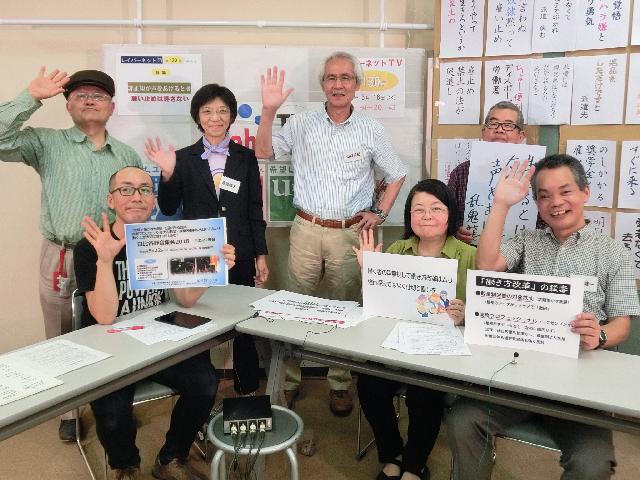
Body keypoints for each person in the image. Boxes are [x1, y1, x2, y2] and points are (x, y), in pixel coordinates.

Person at [447, 154, 640, 480]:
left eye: (565, 191)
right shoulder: (528, 240)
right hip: (520, 371)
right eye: (544, 196)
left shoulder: (613, 253)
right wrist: (501, 204)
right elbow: (487, 265)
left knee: (592, 463)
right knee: (463, 420)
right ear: (536, 203)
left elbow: (622, 323)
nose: (556, 203)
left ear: (585, 192)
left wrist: (600, 335)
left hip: (579, 383)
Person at [255, 51, 407, 415]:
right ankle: (290, 380)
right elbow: (263, 152)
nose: (338, 85)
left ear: (357, 84)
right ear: (323, 84)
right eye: (331, 78)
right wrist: (269, 111)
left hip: (350, 233)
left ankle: (339, 382)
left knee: (346, 309)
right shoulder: (301, 123)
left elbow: (397, 173)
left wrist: (380, 212)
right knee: (296, 308)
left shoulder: (370, 128)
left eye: (345, 78)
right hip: (306, 229)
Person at [0, 67, 143, 440]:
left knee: (115, 328)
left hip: (114, 256)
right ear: (68, 105)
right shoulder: (46, 143)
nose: (90, 100)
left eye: (98, 95)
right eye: (81, 95)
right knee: (63, 333)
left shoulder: (127, 154)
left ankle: (116, 403)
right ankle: (69, 410)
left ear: (111, 107)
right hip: (62, 256)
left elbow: (139, 207)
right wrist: (30, 96)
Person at [74, 166, 236, 480]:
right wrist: (105, 261)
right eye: (126, 189)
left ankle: (171, 457)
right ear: (111, 199)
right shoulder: (90, 246)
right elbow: (104, 316)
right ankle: (126, 466)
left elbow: (185, 299)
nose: (136, 197)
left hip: (158, 341)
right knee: (112, 411)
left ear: (153, 200)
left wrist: (213, 267)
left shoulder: (164, 239)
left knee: (205, 384)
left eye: (145, 190)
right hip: (111, 346)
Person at [144, 83, 266, 397]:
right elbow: (168, 207)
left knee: (243, 323)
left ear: (231, 116)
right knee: (195, 318)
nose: (215, 117)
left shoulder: (245, 157)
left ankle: (247, 390)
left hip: (238, 252)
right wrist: (168, 175)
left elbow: (254, 209)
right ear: (197, 116)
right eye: (208, 111)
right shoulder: (182, 158)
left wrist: (261, 255)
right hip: (196, 254)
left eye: (222, 111)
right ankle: (200, 391)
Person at [353, 179, 476, 480]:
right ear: (409, 216)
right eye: (418, 209)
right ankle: (392, 454)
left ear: (450, 213)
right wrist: (368, 271)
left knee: (424, 391)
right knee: (368, 380)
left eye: (436, 208)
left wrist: (466, 315)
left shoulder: (470, 255)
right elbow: (374, 307)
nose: (427, 216)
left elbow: (487, 315)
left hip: (442, 353)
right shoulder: (398, 249)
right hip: (397, 347)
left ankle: (414, 464)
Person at [446, 100, 546, 244]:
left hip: (524, 253)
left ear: (521, 136)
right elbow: (448, 215)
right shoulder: (461, 172)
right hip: (472, 251)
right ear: (483, 132)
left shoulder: (537, 175)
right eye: (493, 124)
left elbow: (547, 220)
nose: (499, 130)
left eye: (508, 125)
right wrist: (455, 231)